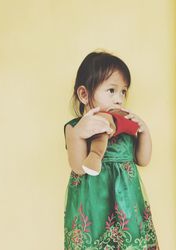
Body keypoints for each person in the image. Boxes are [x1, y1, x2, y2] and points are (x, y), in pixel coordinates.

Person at [63, 51, 159, 249]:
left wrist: (144, 131)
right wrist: (78, 133)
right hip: (93, 202)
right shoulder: (76, 127)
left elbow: (143, 159)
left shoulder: (125, 126)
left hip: (126, 199)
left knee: (131, 241)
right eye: (111, 91)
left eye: (123, 91)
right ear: (84, 94)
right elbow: (77, 166)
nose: (119, 99)